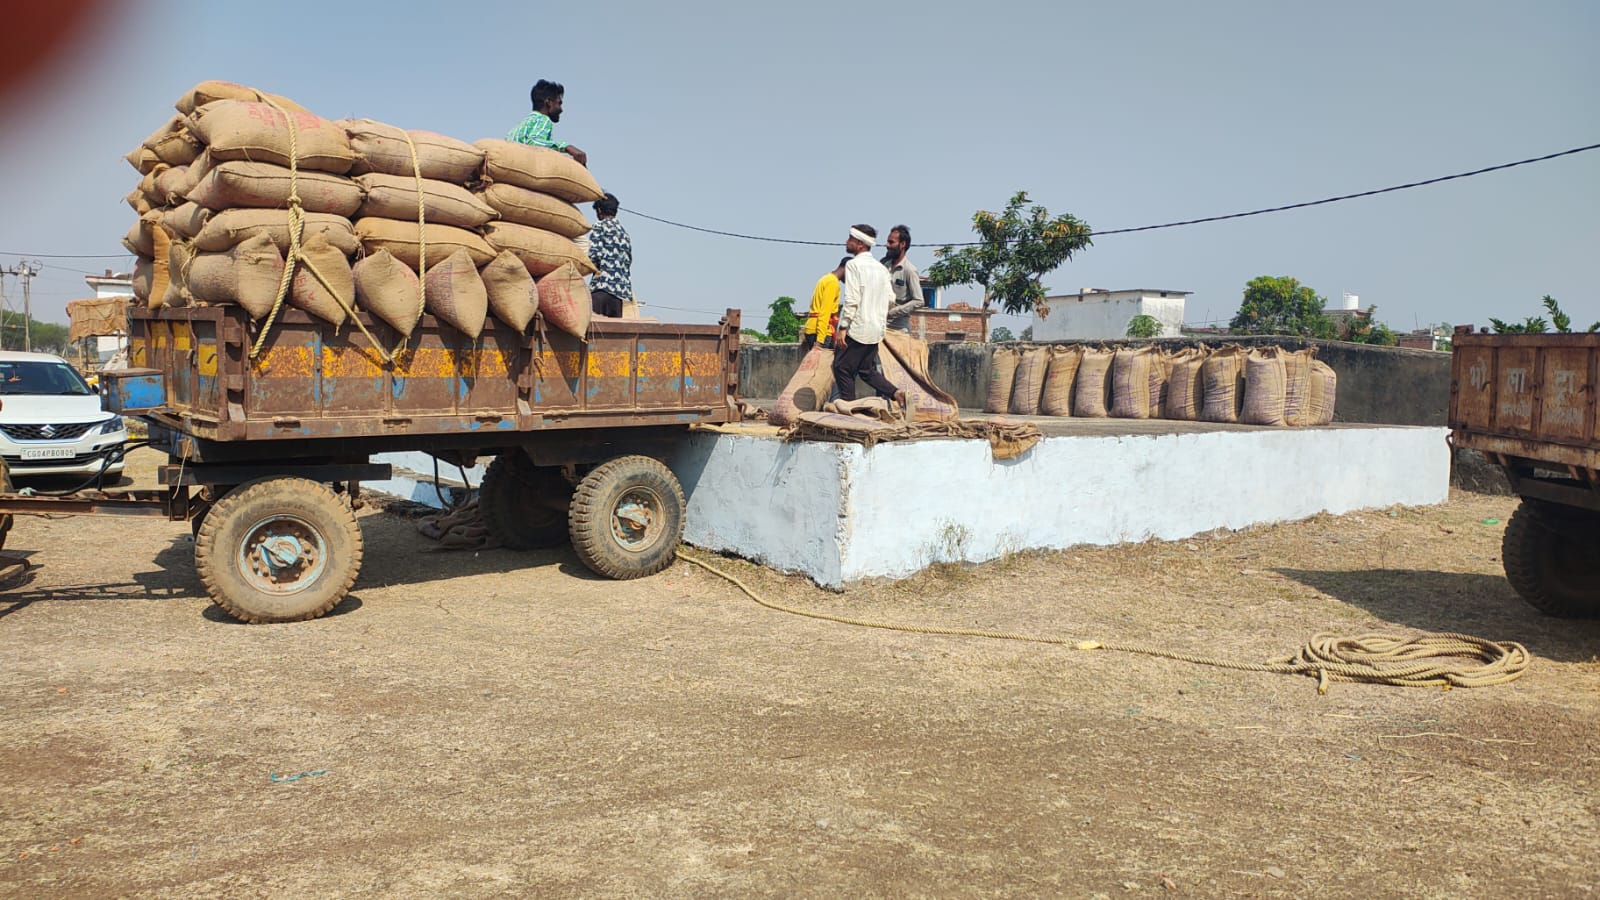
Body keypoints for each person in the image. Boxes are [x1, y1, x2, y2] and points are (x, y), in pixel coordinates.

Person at [832, 225, 903, 404]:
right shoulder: (881, 269)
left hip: (858, 327)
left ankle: (849, 409)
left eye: (850, 239)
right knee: (866, 370)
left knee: (842, 368)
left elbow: (852, 299)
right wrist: (879, 316)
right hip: (875, 329)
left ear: (860, 243)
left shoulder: (853, 265)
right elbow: (891, 299)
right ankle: (896, 394)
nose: (846, 242)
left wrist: (843, 327)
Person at [507, 79, 588, 167]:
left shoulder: (519, 126)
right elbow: (533, 143)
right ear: (549, 102)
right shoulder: (543, 119)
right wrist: (567, 147)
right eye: (559, 103)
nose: (561, 110)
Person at [588, 192, 631, 317]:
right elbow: (628, 261)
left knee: (594, 332)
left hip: (601, 289)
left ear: (599, 210)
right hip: (619, 294)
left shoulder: (599, 226)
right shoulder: (624, 233)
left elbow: (594, 255)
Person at [800, 257, 849, 352]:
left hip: (813, 328)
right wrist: (820, 341)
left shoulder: (826, 278)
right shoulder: (832, 283)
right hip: (821, 332)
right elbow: (824, 313)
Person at [882, 224, 923, 333]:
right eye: (887, 241)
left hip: (898, 330)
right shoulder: (883, 265)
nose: (887, 245)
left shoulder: (909, 270)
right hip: (879, 327)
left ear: (902, 244)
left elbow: (918, 301)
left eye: (891, 242)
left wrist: (891, 313)